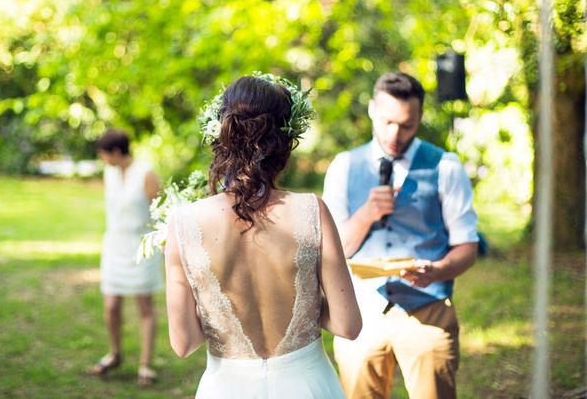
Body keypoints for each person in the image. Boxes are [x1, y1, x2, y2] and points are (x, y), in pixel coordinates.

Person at [164, 74, 362, 398]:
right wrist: (306, 307)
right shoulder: (312, 211)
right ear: (285, 142)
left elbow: (184, 343)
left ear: (221, 134)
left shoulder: (184, 223)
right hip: (307, 385)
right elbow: (348, 326)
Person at [323, 72, 478, 399]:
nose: (395, 134)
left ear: (420, 117)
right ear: (371, 110)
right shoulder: (343, 166)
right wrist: (365, 214)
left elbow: (468, 247)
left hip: (429, 310)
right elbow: (336, 251)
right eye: (387, 121)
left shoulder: (446, 166)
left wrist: (438, 270)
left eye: (406, 125)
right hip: (360, 313)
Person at [86, 129, 164, 386]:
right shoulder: (109, 173)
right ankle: (115, 354)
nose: (103, 160)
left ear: (117, 152)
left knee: (144, 305)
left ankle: (145, 365)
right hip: (114, 245)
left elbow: (162, 213)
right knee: (111, 305)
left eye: (104, 155)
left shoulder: (146, 173)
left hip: (141, 247)